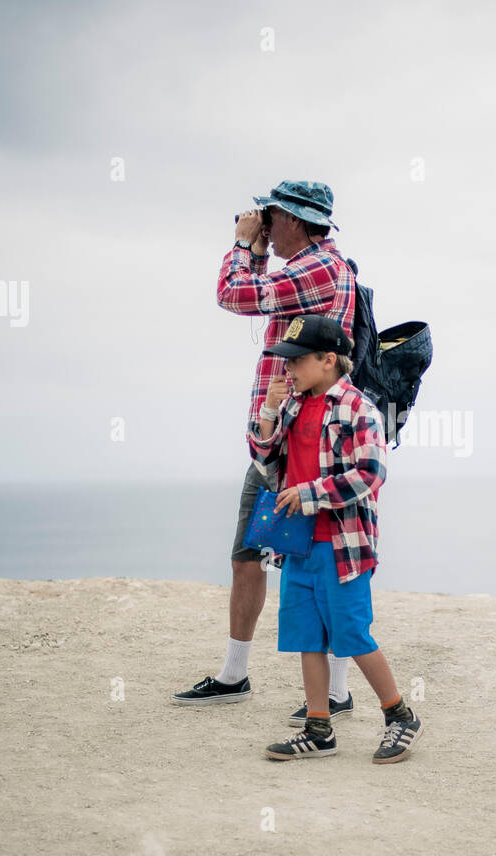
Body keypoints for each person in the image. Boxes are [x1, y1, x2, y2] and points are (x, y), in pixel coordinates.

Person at [173, 181, 358, 724]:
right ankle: (234, 675)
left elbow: (234, 294)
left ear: (298, 221)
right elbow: (254, 293)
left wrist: (239, 242)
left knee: (320, 564)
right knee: (247, 554)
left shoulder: (321, 267)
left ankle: (340, 690)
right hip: (275, 440)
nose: (264, 225)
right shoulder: (305, 267)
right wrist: (255, 248)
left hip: (310, 442)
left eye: (271, 218)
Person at [247, 313, 421, 763]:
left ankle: (400, 715)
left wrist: (309, 493)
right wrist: (267, 413)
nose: (288, 369)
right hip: (298, 544)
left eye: (297, 360)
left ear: (328, 360)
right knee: (306, 636)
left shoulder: (357, 408)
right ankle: (319, 728)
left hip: (342, 544)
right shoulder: (293, 405)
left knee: (352, 634)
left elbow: (371, 473)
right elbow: (268, 467)